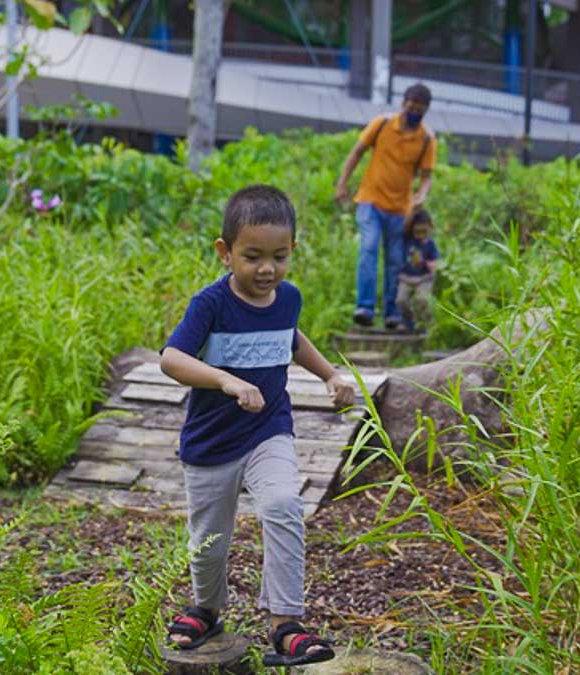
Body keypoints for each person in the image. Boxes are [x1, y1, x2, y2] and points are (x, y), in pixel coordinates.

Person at [160, 184, 355, 668]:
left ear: (292, 252)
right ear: (225, 253)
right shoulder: (210, 304)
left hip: (269, 430)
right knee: (209, 542)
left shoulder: (287, 298)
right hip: (211, 443)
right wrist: (225, 381)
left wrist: (330, 373)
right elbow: (171, 359)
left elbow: (291, 339)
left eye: (279, 256)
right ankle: (207, 608)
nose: (267, 269)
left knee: (284, 504)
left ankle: (284, 622)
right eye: (252, 257)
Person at [333, 82, 437, 330]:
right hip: (370, 200)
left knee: (395, 259)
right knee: (368, 248)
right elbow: (357, 152)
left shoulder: (426, 139)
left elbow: (426, 176)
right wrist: (342, 184)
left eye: (420, 110)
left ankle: (392, 313)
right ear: (403, 103)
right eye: (412, 107)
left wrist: (421, 194)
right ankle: (365, 308)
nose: (414, 113)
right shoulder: (381, 124)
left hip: (401, 209)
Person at [397, 208, 439, 332]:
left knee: (423, 300)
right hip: (406, 277)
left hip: (423, 278)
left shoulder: (430, 243)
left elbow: (434, 260)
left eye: (424, 231)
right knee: (401, 300)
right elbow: (404, 226)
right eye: (418, 231)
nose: (421, 234)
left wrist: (432, 267)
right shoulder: (407, 239)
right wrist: (413, 212)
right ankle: (408, 323)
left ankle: (428, 326)